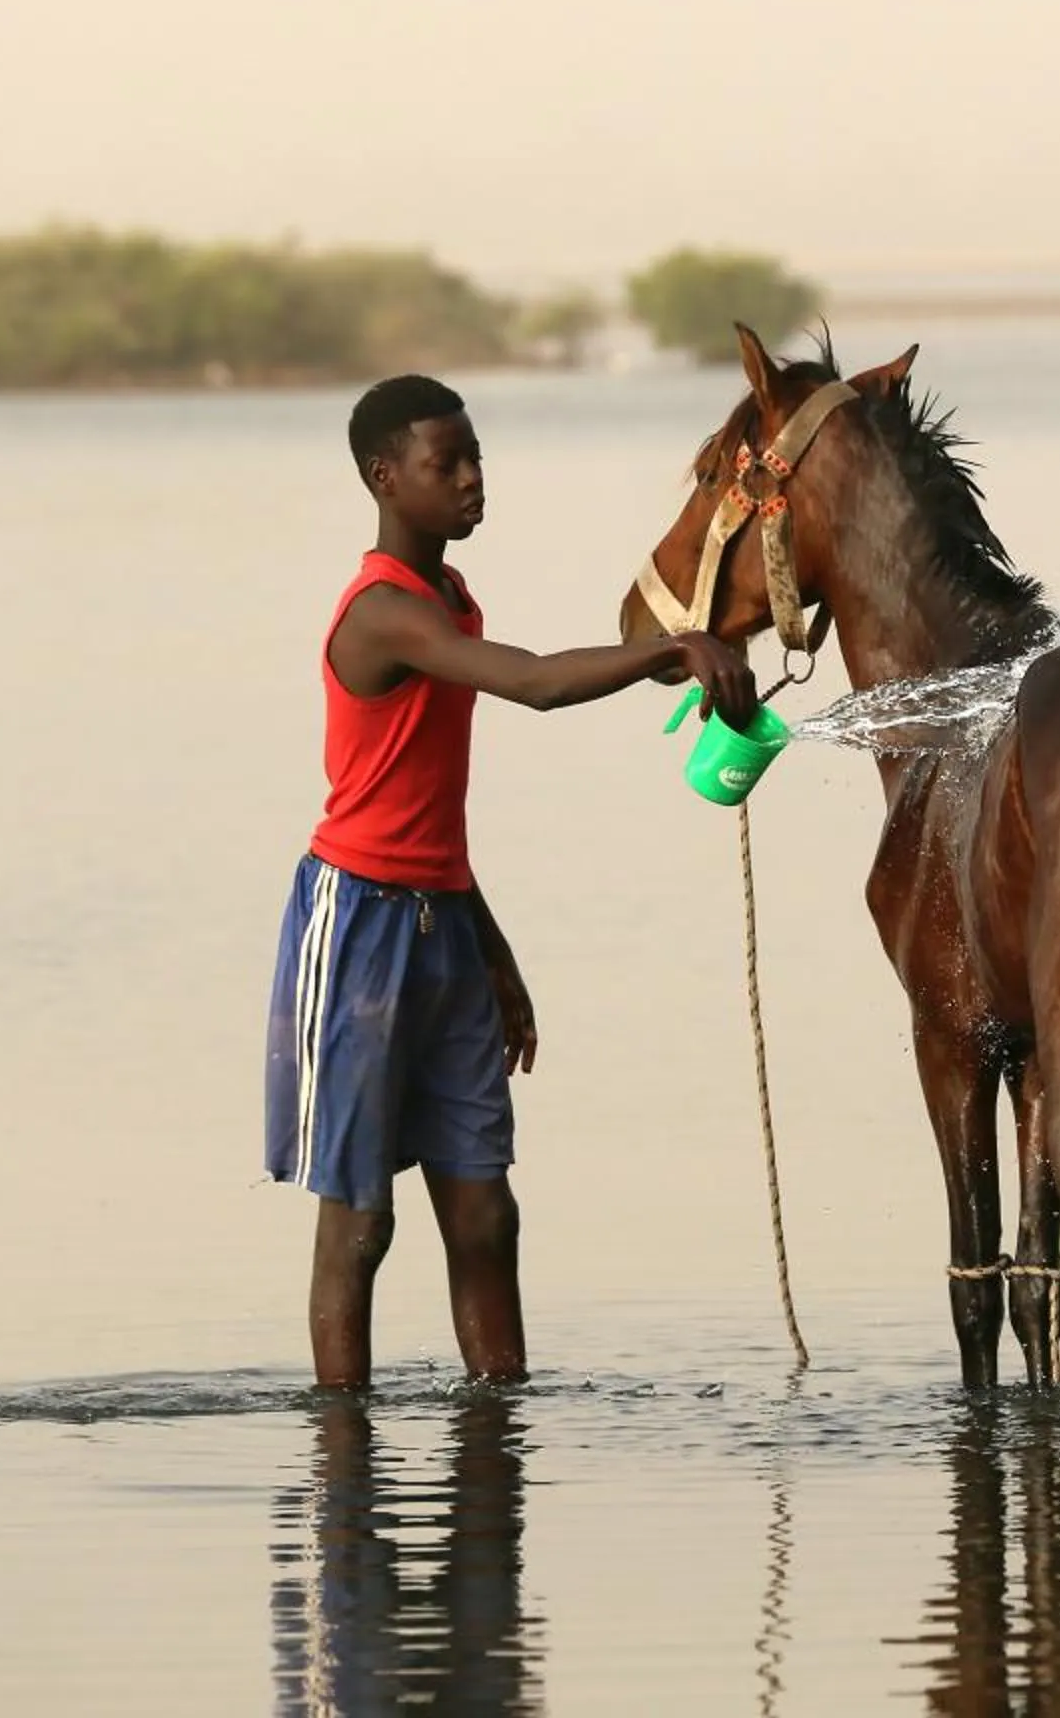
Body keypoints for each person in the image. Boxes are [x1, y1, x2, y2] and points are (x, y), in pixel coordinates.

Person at [264, 373, 756, 1390]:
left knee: (486, 1213)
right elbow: (532, 682)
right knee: (360, 1224)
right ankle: (343, 1452)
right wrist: (668, 648)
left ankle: (497, 1430)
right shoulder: (384, 613)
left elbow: (431, 818)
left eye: (477, 457)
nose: (472, 479)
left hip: (444, 921)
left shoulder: (450, 598)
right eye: (446, 464)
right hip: (356, 929)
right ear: (384, 477)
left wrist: (494, 954)